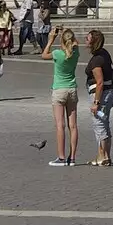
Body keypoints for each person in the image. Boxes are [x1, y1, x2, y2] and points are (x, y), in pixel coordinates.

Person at [43, 27, 80, 166]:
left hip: (59, 89)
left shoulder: (57, 53)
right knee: (73, 126)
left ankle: (61, 157)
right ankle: (73, 158)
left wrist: (51, 39)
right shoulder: (75, 53)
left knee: (60, 125)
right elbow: (76, 43)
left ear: (62, 41)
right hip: (72, 89)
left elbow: (44, 54)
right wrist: (67, 33)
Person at [85, 29, 113, 167]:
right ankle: (104, 156)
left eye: (87, 38)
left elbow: (99, 82)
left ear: (93, 41)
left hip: (101, 95)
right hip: (109, 93)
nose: (85, 41)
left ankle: (103, 156)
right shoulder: (104, 53)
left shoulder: (97, 59)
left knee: (99, 124)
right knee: (104, 123)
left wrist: (96, 102)